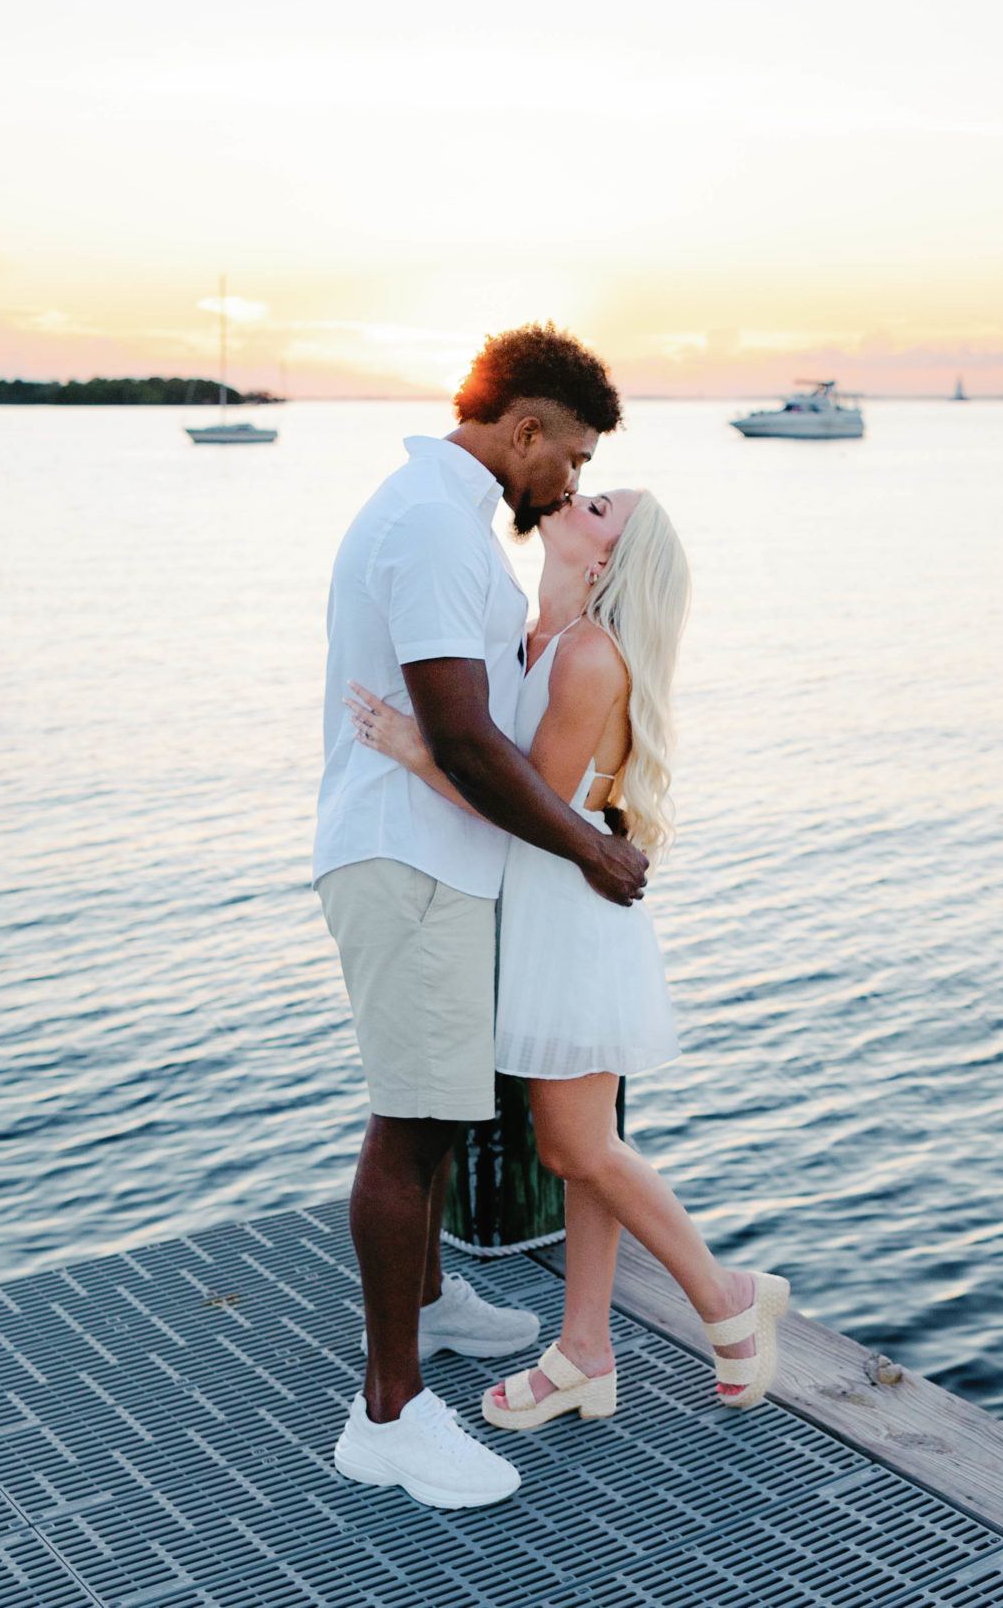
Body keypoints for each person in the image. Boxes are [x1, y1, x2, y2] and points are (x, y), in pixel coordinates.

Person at [349, 485, 792, 1439]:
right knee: (588, 1146)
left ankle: (725, 1295)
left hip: (573, 919)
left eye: (600, 507)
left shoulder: (588, 655)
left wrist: (416, 751)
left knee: (573, 1147)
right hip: (546, 915)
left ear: (606, 561)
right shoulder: (532, 636)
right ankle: (584, 1352)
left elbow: (527, 806)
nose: (576, 497)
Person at [313, 324, 646, 1510]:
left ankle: (428, 1306)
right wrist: (590, 851)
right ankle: (389, 1417)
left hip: (431, 861)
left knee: (442, 1104)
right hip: (406, 861)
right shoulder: (435, 526)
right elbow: (460, 735)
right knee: (408, 1126)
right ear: (524, 432)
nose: (570, 480)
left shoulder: (444, 519)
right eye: (571, 456)